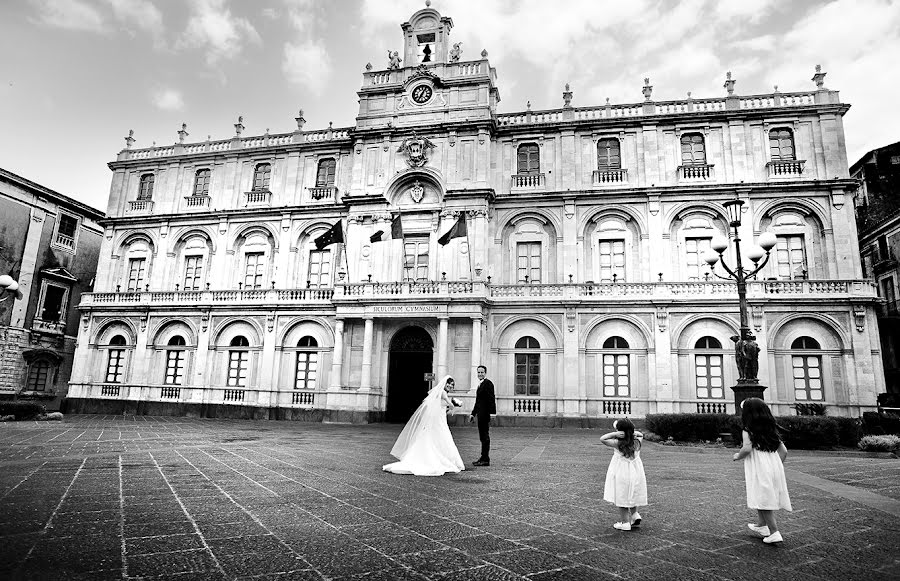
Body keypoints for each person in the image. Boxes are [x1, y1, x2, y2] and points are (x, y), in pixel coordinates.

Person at [732, 397, 791, 544]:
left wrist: (737, 456)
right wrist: (777, 466)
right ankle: (761, 525)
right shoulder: (771, 430)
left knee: (763, 499)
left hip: (759, 469)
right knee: (761, 495)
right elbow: (784, 451)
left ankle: (774, 531)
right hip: (773, 468)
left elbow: (747, 448)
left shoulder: (748, 430)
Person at [383, 375, 464, 476]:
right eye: (449, 384)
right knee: (442, 437)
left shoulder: (441, 393)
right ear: (445, 384)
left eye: (452, 385)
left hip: (440, 418)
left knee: (439, 437)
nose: (450, 386)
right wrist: (456, 404)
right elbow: (450, 405)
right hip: (439, 420)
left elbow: (442, 408)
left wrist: (450, 406)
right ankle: (444, 459)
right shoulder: (443, 393)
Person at [600, 419, 647, 531]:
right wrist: (632, 433)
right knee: (632, 492)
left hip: (622, 472)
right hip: (636, 472)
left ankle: (625, 522)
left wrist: (615, 434)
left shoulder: (618, 443)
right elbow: (641, 434)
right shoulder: (637, 442)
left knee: (622, 496)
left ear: (620, 431)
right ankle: (635, 514)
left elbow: (602, 439)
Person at [468, 365, 496, 466]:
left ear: (485, 373)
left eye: (482, 372)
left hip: (485, 415)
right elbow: (478, 401)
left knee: (485, 437)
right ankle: (483, 457)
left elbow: (491, 399)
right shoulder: (480, 384)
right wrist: (473, 414)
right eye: (478, 372)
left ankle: (485, 459)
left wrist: (492, 414)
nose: (480, 374)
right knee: (482, 437)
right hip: (480, 414)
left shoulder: (488, 384)